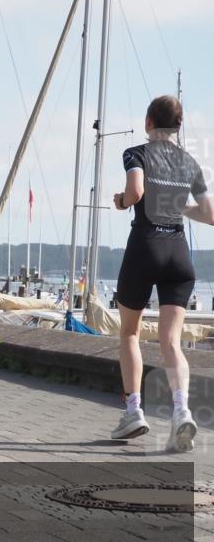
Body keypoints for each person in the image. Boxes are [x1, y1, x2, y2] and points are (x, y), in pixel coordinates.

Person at [110, 96, 214, 452]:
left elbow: (136, 191)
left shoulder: (136, 152)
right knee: (171, 342)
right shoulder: (188, 162)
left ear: (149, 122)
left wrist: (122, 201)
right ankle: (182, 411)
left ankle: (133, 412)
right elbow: (210, 212)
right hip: (179, 255)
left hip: (146, 247)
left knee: (129, 333)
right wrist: (176, 205)